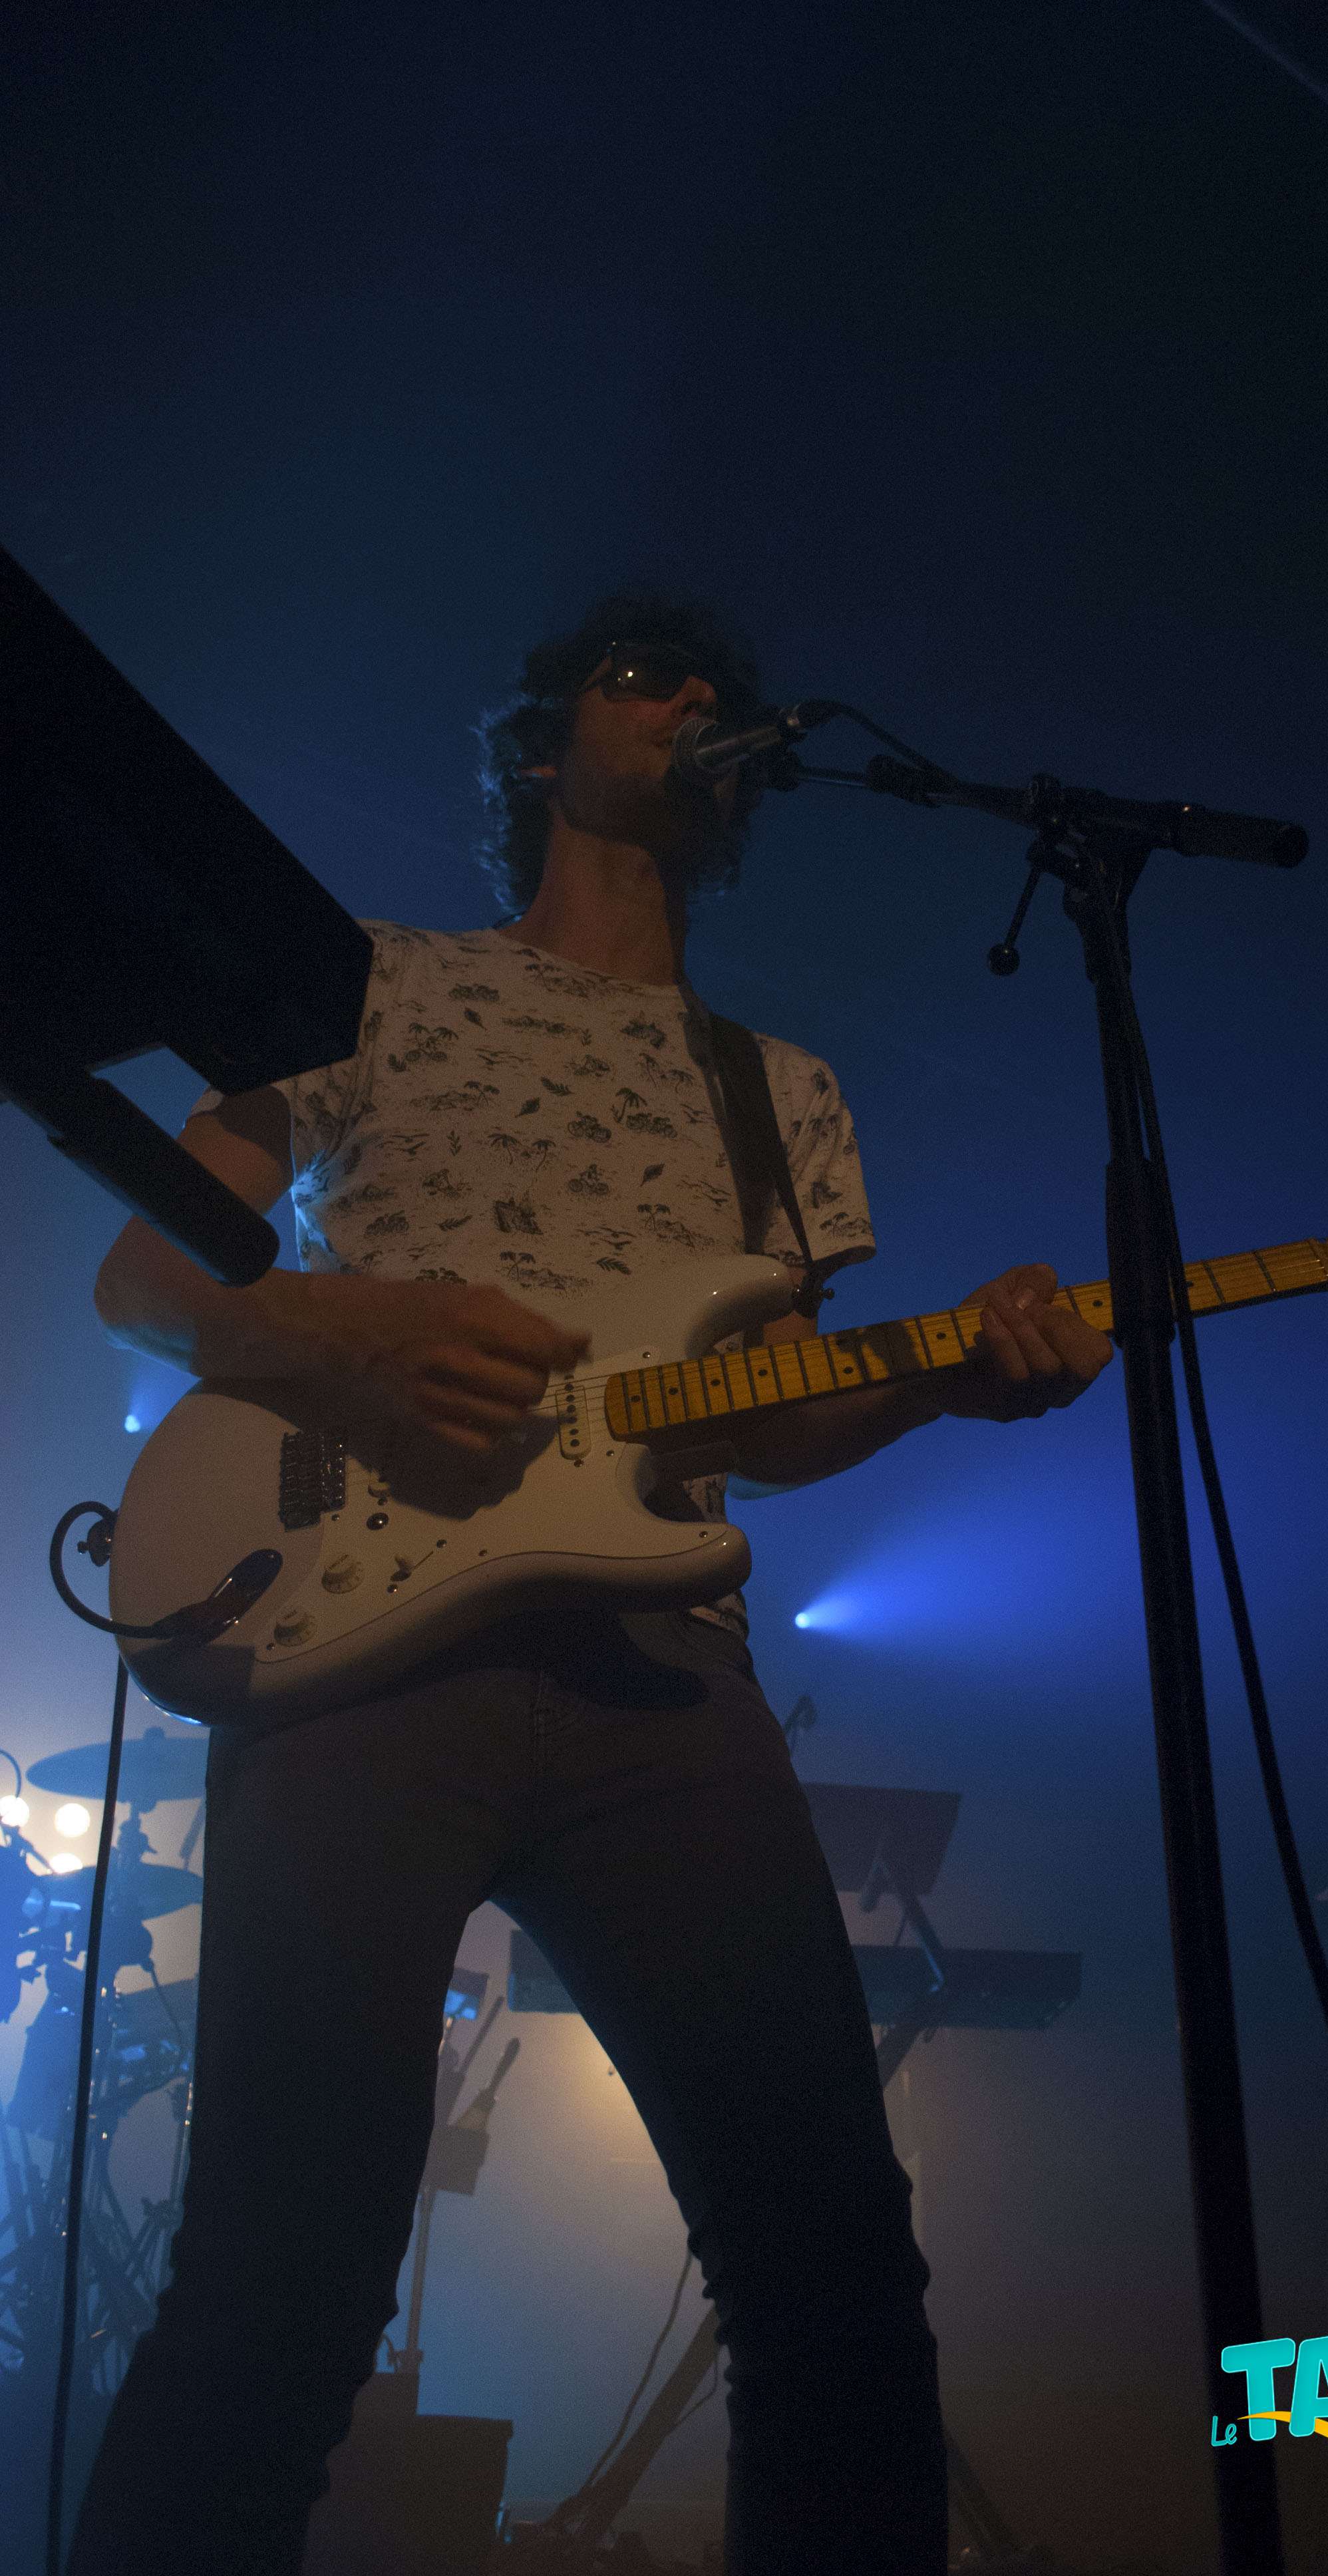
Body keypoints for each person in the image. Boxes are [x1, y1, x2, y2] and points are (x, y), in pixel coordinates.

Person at [72, 591, 1114, 2575]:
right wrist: (350, 1337)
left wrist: (947, 1386)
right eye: (649, 676)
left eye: (718, 686)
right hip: (354, 1643)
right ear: (541, 744)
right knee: (283, 2279)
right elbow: (148, 1273)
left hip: (658, 1675)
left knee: (832, 2279)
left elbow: (767, 1420)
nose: (700, 699)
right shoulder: (363, 980)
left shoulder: (780, 1088)